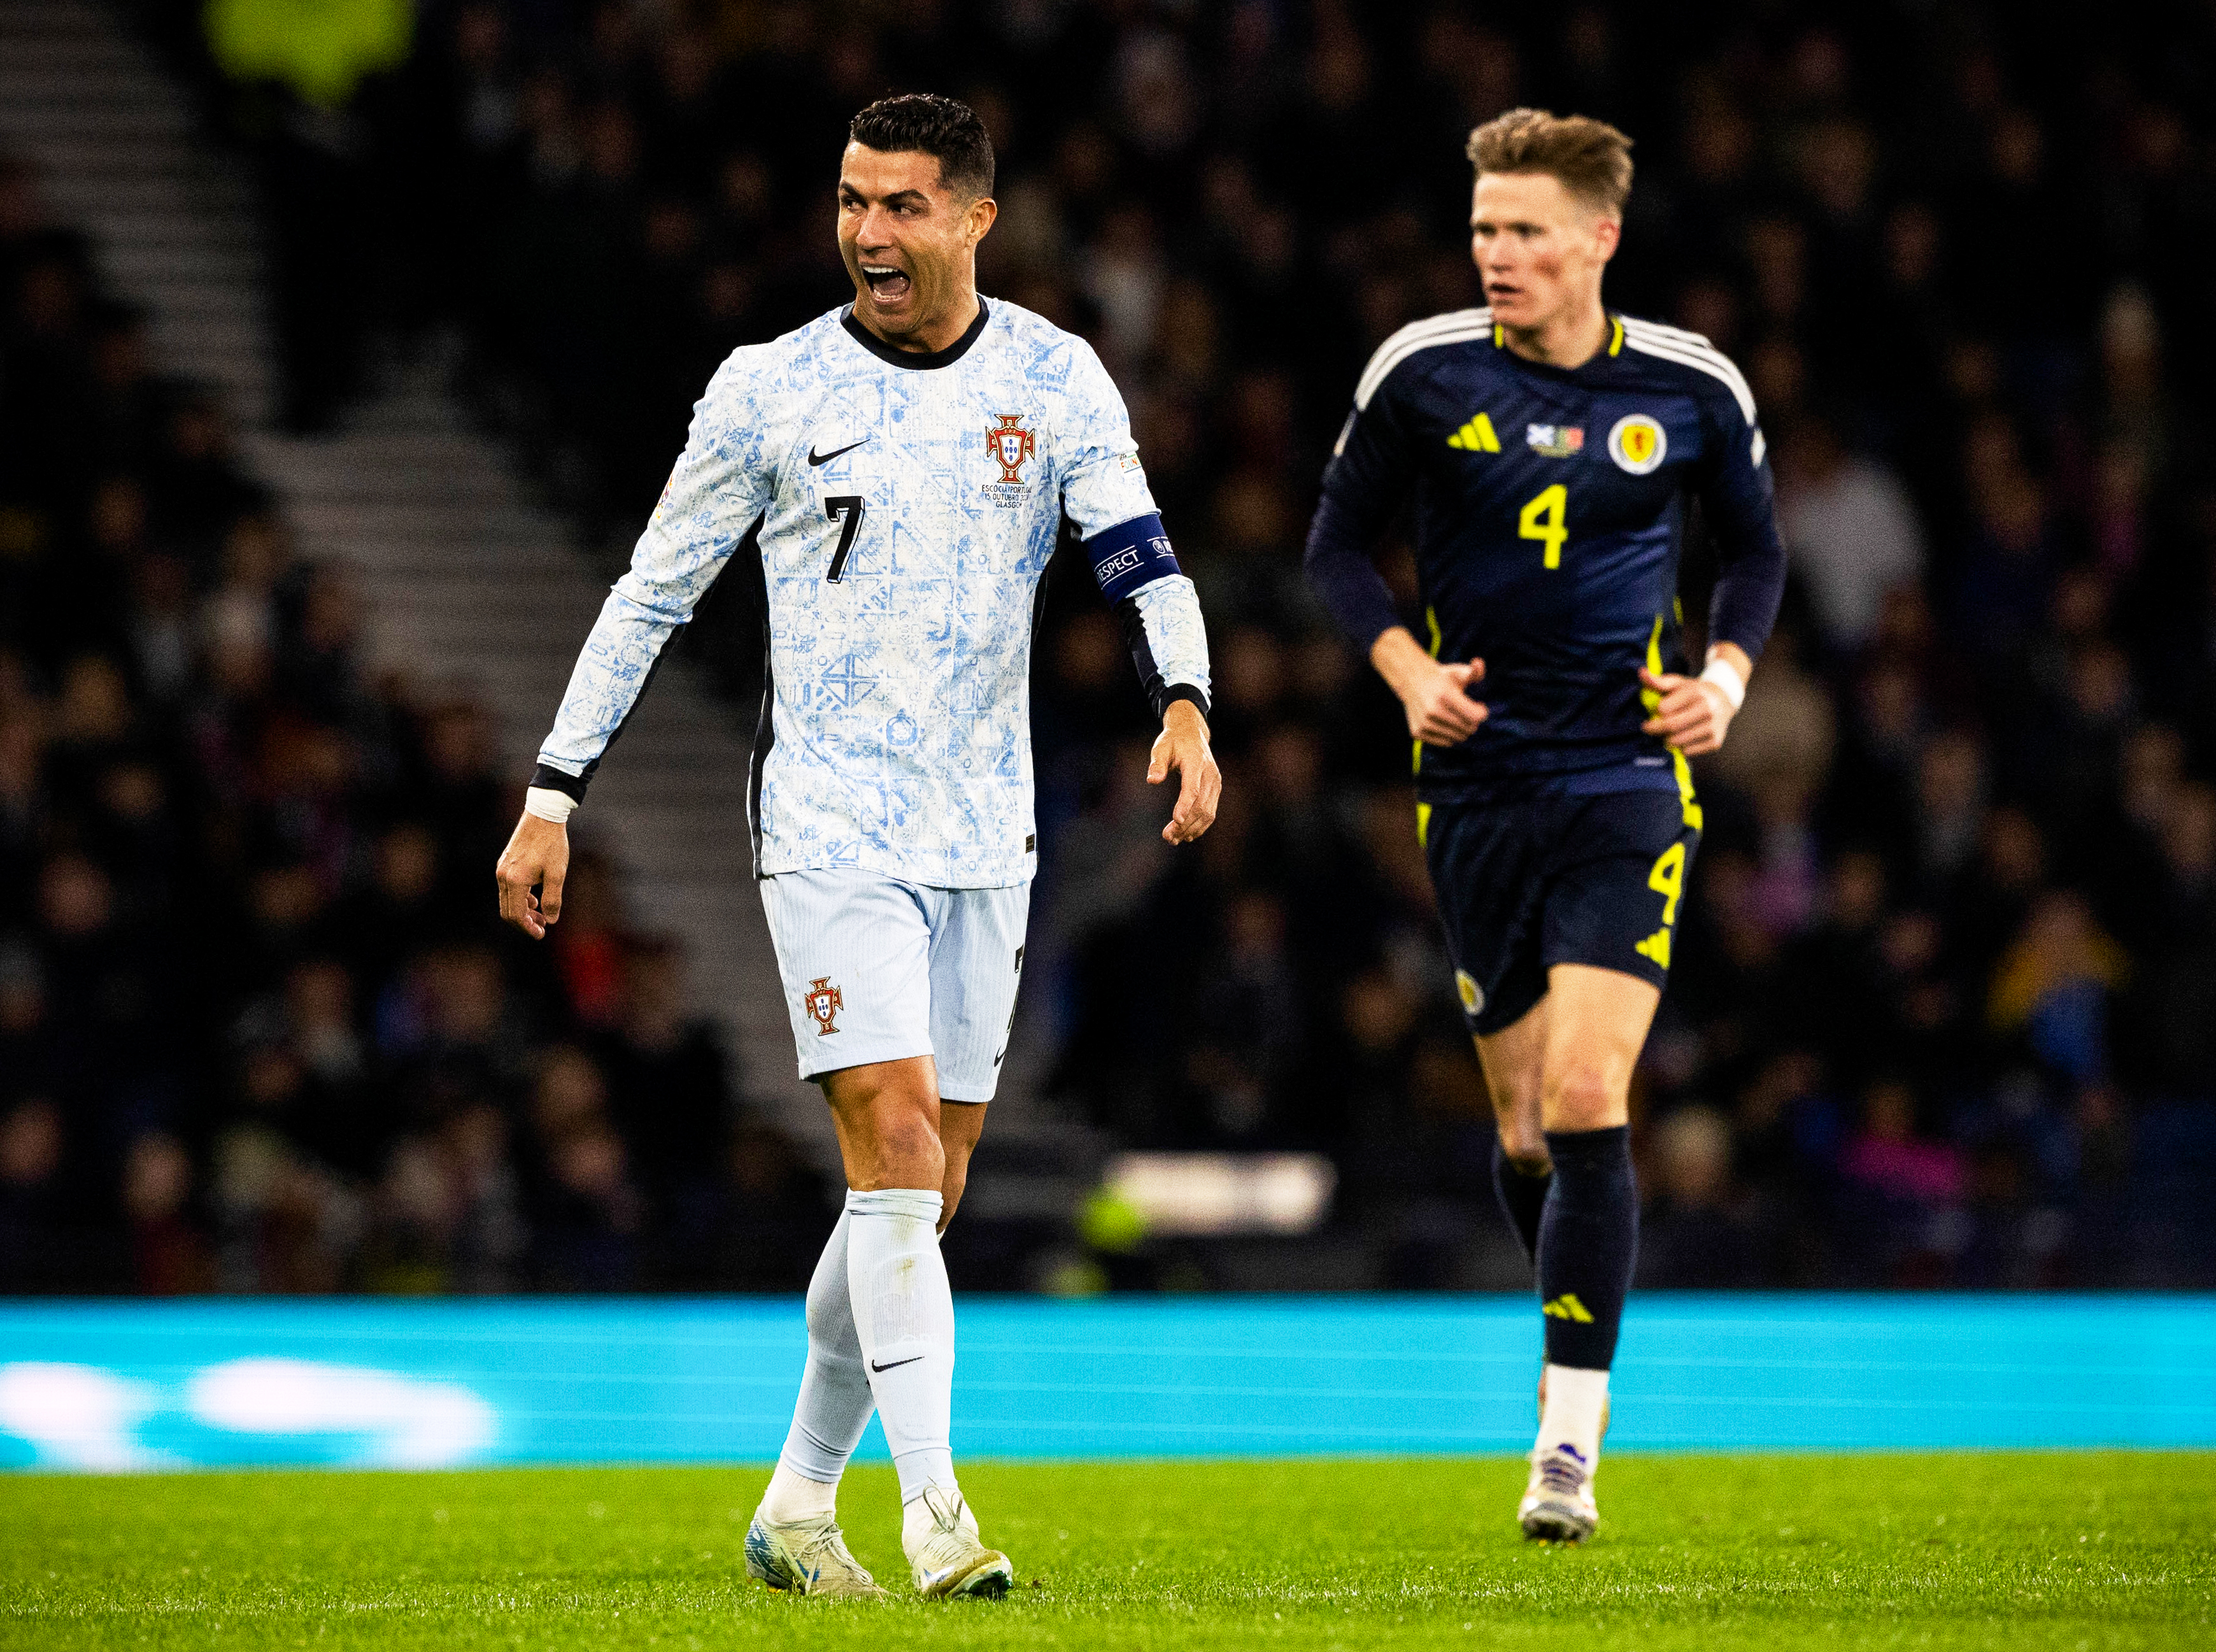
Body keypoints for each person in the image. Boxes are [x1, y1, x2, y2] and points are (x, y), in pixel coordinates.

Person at [494, 94, 1218, 1600]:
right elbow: (650, 592)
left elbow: (1138, 551)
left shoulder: (1052, 375)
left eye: (900, 206)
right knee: (889, 1144)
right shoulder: (766, 390)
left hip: (985, 826)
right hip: (826, 820)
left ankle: (793, 1505)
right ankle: (938, 1508)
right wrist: (554, 790)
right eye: (849, 202)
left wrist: (1187, 700)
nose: (869, 234)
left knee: (918, 1197)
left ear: (973, 219)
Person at [1303, 108, 1785, 1543]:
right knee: (1521, 1131)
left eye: (1522, 232)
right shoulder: (1421, 372)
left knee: (1587, 1101)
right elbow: (1332, 546)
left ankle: (1566, 1435)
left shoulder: (1689, 385)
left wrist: (1724, 677)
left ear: (1597, 240)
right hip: (1473, 788)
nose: (1495, 255)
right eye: (1480, 231)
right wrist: (1400, 672)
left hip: (1626, 779)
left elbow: (1754, 546)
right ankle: (1570, 1313)